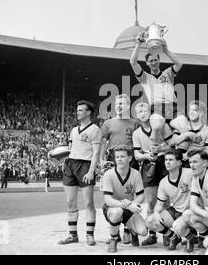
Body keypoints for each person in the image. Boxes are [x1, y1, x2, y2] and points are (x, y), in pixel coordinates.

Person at [129, 32, 189, 150]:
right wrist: (138, 44)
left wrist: (165, 49)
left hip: (173, 107)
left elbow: (179, 63)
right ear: (147, 63)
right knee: (156, 126)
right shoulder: (144, 77)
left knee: (184, 126)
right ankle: (154, 152)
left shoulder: (168, 73)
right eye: (150, 61)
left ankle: (180, 153)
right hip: (156, 107)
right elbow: (133, 62)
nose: (153, 63)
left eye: (155, 60)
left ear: (159, 60)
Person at [57, 100, 101, 246]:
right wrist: (58, 154)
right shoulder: (73, 130)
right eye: (77, 110)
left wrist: (91, 171)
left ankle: (89, 235)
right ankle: (72, 235)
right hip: (70, 165)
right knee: (70, 202)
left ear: (88, 112)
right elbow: (70, 149)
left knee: (88, 203)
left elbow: (96, 153)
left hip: (85, 166)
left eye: (81, 110)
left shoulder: (95, 129)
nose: (77, 112)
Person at [100, 94, 140, 244]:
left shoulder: (135, 123)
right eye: (117, 103)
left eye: (122, 103)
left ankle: (128, 230)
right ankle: (114, 232)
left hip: (130, 159)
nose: (118, 106)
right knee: (113, 195)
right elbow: (103, 142)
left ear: (128, 106)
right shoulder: (108, 123)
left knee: (130, 194)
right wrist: (101, 159)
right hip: (113, 159)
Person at [132, 102, 173, 246]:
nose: (142, 113)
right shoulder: (136, 133)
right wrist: (146, 156)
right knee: (150, 202)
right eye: (139, 111)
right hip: (148, 164)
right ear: (136, 116)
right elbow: (137, 155)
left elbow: (172, 144)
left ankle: (169, 234)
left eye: (145, 110)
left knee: (165, 200)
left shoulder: (163, 126)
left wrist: (162, 147)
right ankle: (153, 234)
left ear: (150, 112)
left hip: (163, 162)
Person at [145, 149, 194, 251]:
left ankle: (191, 238)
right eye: (166, 159)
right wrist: (156, 213)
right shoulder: (163, 182)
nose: (167, 162)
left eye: (171, 160)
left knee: (178, 227)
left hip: (192, 211)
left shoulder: (190, 173)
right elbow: (159, 204)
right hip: (176, 211)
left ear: (179, 162)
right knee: (150, 221)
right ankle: (174, 237)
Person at [102, 145, 147, 253]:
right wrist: (126, 205)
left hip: (129, 208)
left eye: (122, 156)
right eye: (117, 157)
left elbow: (141, 196)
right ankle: (114, 238)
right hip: (112, 208)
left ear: (130, 158)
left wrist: (132, 204)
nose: (119, 159)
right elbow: (108, 200)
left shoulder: (136, 174)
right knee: (117, 212)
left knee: (143, 231)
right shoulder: (108, 175)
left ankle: (133, 231)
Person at [171, 100, 208, 165]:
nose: (191, 112)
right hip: (180, 164)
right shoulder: (181, 126)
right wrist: (186, 135)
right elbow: (172, 142)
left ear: (201, 113)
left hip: (198, 164)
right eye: (190, 110)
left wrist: (191, 155)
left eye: (194, 110)